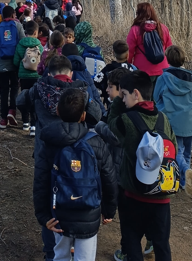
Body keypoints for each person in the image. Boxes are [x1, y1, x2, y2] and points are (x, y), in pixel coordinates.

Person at [17, 56, 103, 261]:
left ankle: (51, 251)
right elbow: (97, 115)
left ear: (49, 73)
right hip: (77, 154)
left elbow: (20, 101)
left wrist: (34, 102)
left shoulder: (39, 88)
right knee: (76, 194)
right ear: (71, 74)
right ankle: (76, 242)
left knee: (50, 200)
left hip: (46, 152)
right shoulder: (80, 92)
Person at [33, 88, 118, 261]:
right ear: (84, 116)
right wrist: (109, 210)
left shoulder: (49, 143)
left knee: (60, 256)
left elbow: (40, 181)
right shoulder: (96, 143)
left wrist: (43, 215)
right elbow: (109, 179)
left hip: (59, 213)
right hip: (89, 214)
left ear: (57, 111)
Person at [108, 70, 176, 261]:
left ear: (136, 94)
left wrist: (116, 101)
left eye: (124, 95)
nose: (123, 99)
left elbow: (111, 123)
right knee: (162, 244)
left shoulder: (126, 121)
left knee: (132, 241)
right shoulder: (163, 119)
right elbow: (174, 148)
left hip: (134, 195)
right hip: (162, 196)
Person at [154, 45, 192, 197]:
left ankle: (185, 171)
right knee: (186, 152)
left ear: (167, 59)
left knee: (177, 151)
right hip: (190, 121)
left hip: (172, 122)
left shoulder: (163, 78)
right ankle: (184, 182)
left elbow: (155, 98)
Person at [0, 5, 25, 130]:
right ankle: (12, 111)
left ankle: (3, 119)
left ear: (3, 15)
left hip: (2, 63)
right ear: (13, 15)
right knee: (14, 87)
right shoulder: (18, 26)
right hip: (15, 63)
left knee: (3, 90)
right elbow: (23, 42)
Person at [126, 2, 173, 92]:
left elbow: (129, 51)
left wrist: (128, 65)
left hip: (142, 70)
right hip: (163, 69)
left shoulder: (135, 29)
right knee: (160, 97)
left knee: (144, 97)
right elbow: (169, 49)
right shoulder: (163, 28)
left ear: (139, 13)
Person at [14, 19, 43, 135]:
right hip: (36, 76)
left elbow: (16, 61)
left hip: (24, 76)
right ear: (36, 32)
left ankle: (25, 122)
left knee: (25, 97)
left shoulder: (20, 44)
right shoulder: (39, 45)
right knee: (35, 99)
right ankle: (34, 125)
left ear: (25, 31)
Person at [62, 43, 104, 118]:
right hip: (87, 113)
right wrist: (103, 113)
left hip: (68, 113)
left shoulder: (62, 71)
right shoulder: (85, 72)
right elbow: (95, 94)